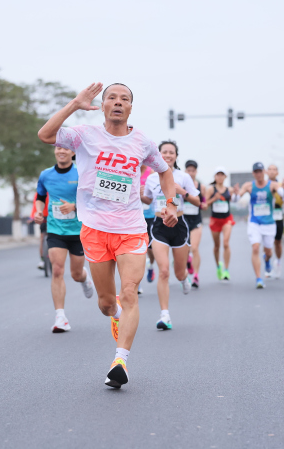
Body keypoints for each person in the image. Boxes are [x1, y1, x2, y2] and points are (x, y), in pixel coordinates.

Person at [37, 82, 178, 389]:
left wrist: (171, 204)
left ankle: (120, 361)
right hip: (95, 230)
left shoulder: (142, 142)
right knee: (106, 303)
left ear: (130, 108)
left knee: (129, 292)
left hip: (131, 229)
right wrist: (75, 104)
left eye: (124, 99)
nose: (117, 102)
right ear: (101, 106)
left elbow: (165, 172)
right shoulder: (84, 135)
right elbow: (46, 135)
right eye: (111, 98)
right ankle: (113, 315)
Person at [34, 147, 95, 332]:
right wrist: (38, 211)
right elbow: (40, 196)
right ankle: (60, 317)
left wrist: (74, 206)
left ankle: (84, 279)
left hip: (78, 231)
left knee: (76, 274)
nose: (61, 151)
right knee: (57, 270)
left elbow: (92, 198)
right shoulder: (46, 175)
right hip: (55, 230)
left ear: (72, 153)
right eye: (58, 147)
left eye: (65, 148)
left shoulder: (81, 173)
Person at [141, 141, 199, 330]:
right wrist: (139, 194)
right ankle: (164, 315)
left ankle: (184, 279)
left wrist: (182, 192)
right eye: (164, 152)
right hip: (159, 225)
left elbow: (198, 201)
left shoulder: (183, 177)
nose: (167, 155)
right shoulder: (151, 178)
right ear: (158, 154)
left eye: (171, 152)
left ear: (176, 156)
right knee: (164, 270)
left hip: (179, 225)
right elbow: (148, 199)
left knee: (179, 272)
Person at [238, 162, 284, 289]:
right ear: (253, 173)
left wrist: (283, 190)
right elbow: (238, 196)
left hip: (269, 223)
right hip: (254, 222)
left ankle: (267, 259)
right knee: (255, 248)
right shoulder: (249, 186)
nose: (258, 174)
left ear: (264, 172)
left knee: (268, 251)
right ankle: (259, 278)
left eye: (260, 171)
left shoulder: (272, 185)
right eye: (256, 172)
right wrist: (237, 194)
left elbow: (283, 194)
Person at [205, 167, 239, 281]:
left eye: (222, 175)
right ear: (215, 177)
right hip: (215, 220)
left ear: (225, 177)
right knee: (217, 246)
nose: (220, 177)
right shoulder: (211, 190)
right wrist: (214, 198)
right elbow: (204, 205)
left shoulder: (229, 190)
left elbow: (235, 200)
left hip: (226, 219)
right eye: (218, 175)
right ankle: (218, 266)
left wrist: (236, 193)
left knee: (225, 243)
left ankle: (226, 270)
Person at [183, 160, 207, 288]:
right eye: (188, 170)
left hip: (196, 220)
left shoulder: (201, 186)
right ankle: (187, 261)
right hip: (183, 221)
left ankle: (196, 276)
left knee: (195, 248)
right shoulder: (181, 184)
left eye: (193, 171)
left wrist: (203, 204)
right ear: (185, 171)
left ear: (196, 172)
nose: (191, 173)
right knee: (184, 250)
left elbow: (204, 203)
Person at [266, 164, 284, 279]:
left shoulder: (281, 186)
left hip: (277, 215)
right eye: (269, 169)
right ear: (266, 172)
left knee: (278, 242)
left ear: (277, 173)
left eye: (274, 170)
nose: (272, 172)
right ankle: (267, 264)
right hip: (266, 217)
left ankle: (278, 262)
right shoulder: (263, 185)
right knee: (267, 243)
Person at [140, 164, 156, 293]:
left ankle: (150, 264)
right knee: (137, 250)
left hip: (150, 215)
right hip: (134, 216)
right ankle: (136, 284)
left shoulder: (151, 173)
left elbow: (154, 195)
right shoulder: (129, 170)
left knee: (150, 248)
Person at [30, 192, 49, 270]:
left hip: (54, 217)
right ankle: (42, 260)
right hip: (43, 217)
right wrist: (32, 217)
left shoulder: (55, 189)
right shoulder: (39, 193)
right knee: (42, 238)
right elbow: (35, 206)